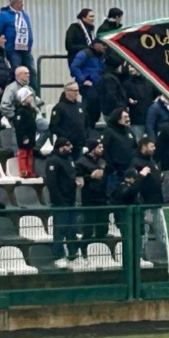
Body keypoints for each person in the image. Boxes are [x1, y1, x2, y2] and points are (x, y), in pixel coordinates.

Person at [45, 136, 80, 268]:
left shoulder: (69, 160)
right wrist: (59, 200)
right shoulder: (52, 161)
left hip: (71, 200)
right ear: (61, 147)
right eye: (68, 145)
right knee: (60, 229)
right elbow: (51, 183)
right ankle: (58, 256)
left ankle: (73, 255)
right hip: (61, 202)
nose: (71, 147)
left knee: (72, 229)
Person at [0, 0, 35, 82]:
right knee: (17, 71)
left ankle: (33, 92)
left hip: (25, 48)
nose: (22, 4)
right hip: (12, 49)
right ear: (14, 4)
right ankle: (17, 91)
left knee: (31, 72)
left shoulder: (24, 15)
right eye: (20, 2)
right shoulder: (3, 15)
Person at [71, 39, 108, 129]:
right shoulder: (84, 53)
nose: (105, 47)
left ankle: (91, 126)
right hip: (87, 85)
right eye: (103, 44)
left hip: (98, 85)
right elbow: (74, 66)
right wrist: (83, 79)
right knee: (89, 105)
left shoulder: (102, 56)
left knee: (96, 107)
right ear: (96, 44)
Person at [50, 82, 88, 153]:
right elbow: (53, 126)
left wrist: (85, 136)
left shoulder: (81, 106)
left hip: (79, 144)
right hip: (66, 145)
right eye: (75, 91)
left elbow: (86, 123)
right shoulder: (59, 107)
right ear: (67, 92)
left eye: (78, 90)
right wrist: (66, 136)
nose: (77, 93)